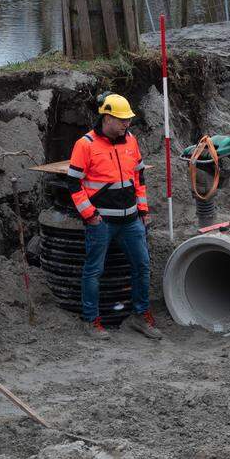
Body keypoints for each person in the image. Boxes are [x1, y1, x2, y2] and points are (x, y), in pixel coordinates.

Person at [66, 93, 162, 341]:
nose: (126, 124)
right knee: (94, 271)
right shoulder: (85, 145)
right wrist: (90, 215)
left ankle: (140, 316)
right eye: (121, 120)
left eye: (128, 120)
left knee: (142, 266)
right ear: (106, 118)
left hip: (131, 220)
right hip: (102, 223)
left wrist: (143, 211)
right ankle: (91, 320)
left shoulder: (131, 140)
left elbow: (139, 178)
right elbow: (74, 184)